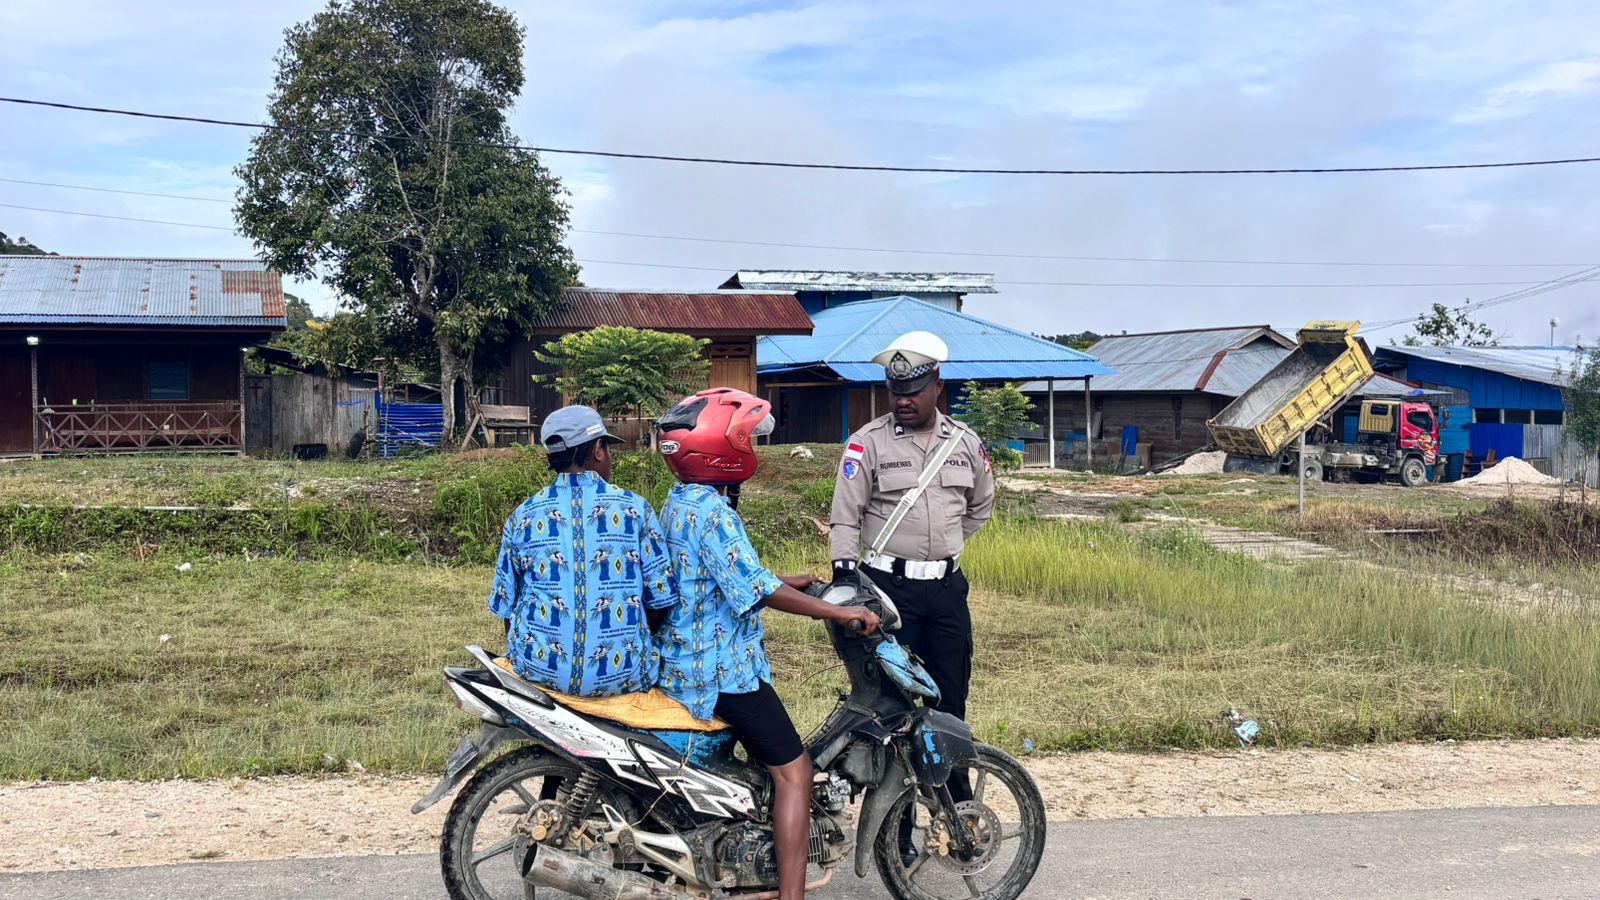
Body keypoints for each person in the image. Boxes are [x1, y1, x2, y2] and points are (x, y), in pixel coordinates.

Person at [652, 388, 880, 900]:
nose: (752, 447)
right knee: (795, 773)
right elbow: (758, 591)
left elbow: (719, 574)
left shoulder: (682, 501)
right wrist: (841, 611)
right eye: (748, 439)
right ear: (722, 448)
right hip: (721, 673)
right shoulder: (715, 513)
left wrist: (786, 579)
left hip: (684, 662)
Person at [827, 330, 995, 861]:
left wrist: (938, 551)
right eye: (895, 390)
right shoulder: (867, 443)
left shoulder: (965, 443)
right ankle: (897, 837)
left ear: (937, 386)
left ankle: (959, 821)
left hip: (945, 592)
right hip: (888, 592)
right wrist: (847, 579)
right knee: (893, 713)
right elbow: (845, 517)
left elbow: (980, 506)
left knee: (950, 708)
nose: (903, 399)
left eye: (914, 390)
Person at [487, 404, 675, 697]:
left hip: (535, 670)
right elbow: (660, 601)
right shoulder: (636, 509)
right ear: (598, 450)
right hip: (626, 675)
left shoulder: (523, 515)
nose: (610, 458)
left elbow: (506, 604)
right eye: (608, 449)